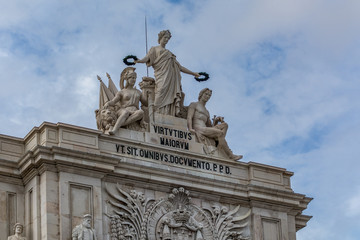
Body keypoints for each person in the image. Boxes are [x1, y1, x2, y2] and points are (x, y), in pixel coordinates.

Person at [135, 30, 200, 116]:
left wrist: (193, 73)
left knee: (171, 96)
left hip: (171, 78)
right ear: (160, 38)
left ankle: (168, 115)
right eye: (165, 38)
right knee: (160, 91)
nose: (166, 40)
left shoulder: (170, 54)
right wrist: (139, 61)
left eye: (168, 38)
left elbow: (180, 67)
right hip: (161, 76)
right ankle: (156, 114)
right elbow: (147, 58)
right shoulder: (154, 49)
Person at [187, 88, 242, 161]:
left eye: (209, 95)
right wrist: (190, 128)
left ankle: (220, 143)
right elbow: (189, 117)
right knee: (220, 133)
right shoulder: (194, 104)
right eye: (206, 94)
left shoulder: (207, 112)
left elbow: (210, 127)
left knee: (225, 125)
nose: (207, 96)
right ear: (201, 94)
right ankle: (230, 155)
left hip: (205, 129)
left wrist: (216, 121)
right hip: (198, 128)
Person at [104, 67, 147, 134]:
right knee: (125, 112)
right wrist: (108, 103)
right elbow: (114, 101)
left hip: (134, 112)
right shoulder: (121, 92)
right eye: (132, 78)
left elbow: (145, 103)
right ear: (127, 79)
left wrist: (148, 93)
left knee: (141, 112)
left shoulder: (138, 92)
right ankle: (114, 130)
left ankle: (119, 124)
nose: (134, 80)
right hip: (123, 110)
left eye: (135, 78)